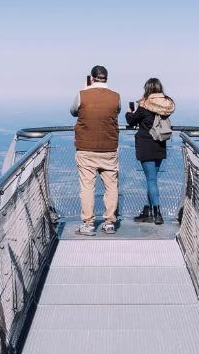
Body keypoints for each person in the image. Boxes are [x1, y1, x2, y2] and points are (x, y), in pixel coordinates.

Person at [69, 64, 121, 235]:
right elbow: (117, 111)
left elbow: (73, 112)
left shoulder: (82, 94)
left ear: (91, 78)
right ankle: (109, 222)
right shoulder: (116, 97)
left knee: (87, 187)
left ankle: (88, 223)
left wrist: (85, 91)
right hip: (109, 148)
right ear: (106, 78)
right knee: (111, 186)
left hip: (86, 148)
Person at [124, 78, 176, 224]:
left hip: (146, 144)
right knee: (152, 180)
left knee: (151, 180)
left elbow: (131, 121)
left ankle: (157, 214)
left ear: (147, 89)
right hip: (160, 144)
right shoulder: (165, 106)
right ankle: (148, 211)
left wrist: (129, 112)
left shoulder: (144, 105)